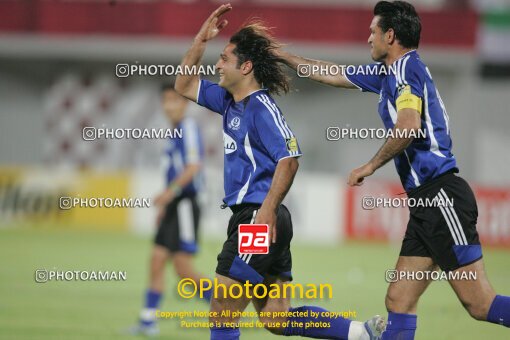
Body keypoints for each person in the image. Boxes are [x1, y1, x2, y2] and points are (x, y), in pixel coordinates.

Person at [277, 1, 510, 339]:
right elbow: (332, 73)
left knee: (480, 303)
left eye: (373, 31)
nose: (368, 38)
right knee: (398, 300)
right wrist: (284, 57)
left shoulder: (405, 70)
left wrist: (370, 166)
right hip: (426, 203)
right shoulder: (389, 74)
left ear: (390, 35)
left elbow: (408, 126)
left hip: (442, 197)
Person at [175, 4, 384, 340]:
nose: (216, 64)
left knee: (222, 311)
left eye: (224, 58)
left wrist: (266, 212)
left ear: (245, 66)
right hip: (255, 216)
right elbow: (184, 84)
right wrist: (201, 39)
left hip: (258, 217)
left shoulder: (261, 108)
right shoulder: (229, 101)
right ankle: (364, 333)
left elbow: (290, 160)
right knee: (277, 318)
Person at [130, 82, 209, 336]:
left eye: (173, 100)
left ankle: (225, 308)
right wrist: (165, 205)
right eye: (165, 100)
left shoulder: (188, 128)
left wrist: (169, 193)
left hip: (185, 204)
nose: (168, 106)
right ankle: (147, 321)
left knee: (183, 270)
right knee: (156, 260)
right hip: (174, 206)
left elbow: (193, 167)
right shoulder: (175, 131)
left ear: (185, 103)